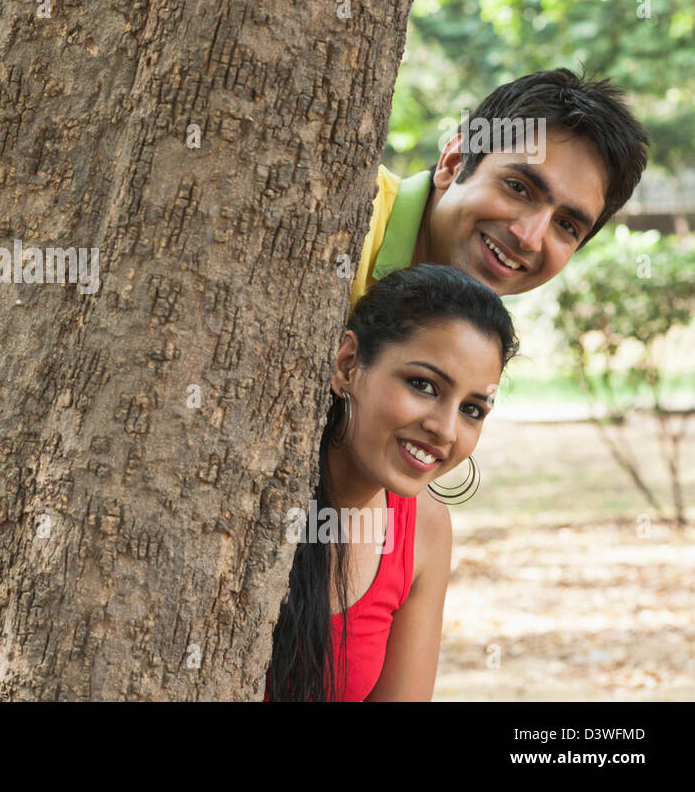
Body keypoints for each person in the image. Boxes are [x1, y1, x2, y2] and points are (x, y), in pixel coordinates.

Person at [267, 264, 519, 701]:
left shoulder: (424, 529)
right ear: (348, 364)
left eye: (472, 410)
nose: (446, 429)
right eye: (424, 384)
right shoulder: (252, 492)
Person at [350, 68, 649, 305]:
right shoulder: (348, 217)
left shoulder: (469, 334)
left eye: (567, 225)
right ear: (454, 162)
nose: (530, 239)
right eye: (518, 189)